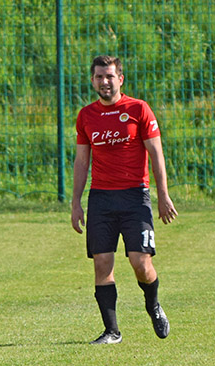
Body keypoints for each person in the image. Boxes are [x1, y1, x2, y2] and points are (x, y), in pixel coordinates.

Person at [71, 55, 178, 345]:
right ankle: (111, 331)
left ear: (121, 79)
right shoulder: (86, 116)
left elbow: (156, 154)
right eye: (99, 77)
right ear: (92, 80)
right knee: (102, 263)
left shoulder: (138, 109)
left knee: (140, 263)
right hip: (101, 199)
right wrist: (76, 202)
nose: (104, 82)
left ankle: (153, 304)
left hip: (134, 197)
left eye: (110, 76)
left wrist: (163, 195)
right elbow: (82, 162)